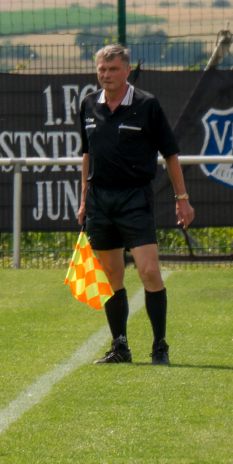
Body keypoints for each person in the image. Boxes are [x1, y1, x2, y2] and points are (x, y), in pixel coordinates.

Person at [76, 44, 194, 365]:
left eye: (112, 69)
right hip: (100, 201)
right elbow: (86, 154)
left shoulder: (147, 105)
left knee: (149, 271)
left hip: (135, 198)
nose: (106, 75)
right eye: (101, 69)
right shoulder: (88, 105)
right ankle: (120, 346)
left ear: (127, 71)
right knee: (111, 274)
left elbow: (170, 154)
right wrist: (84, 199)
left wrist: (181, 199)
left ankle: (160, 346)